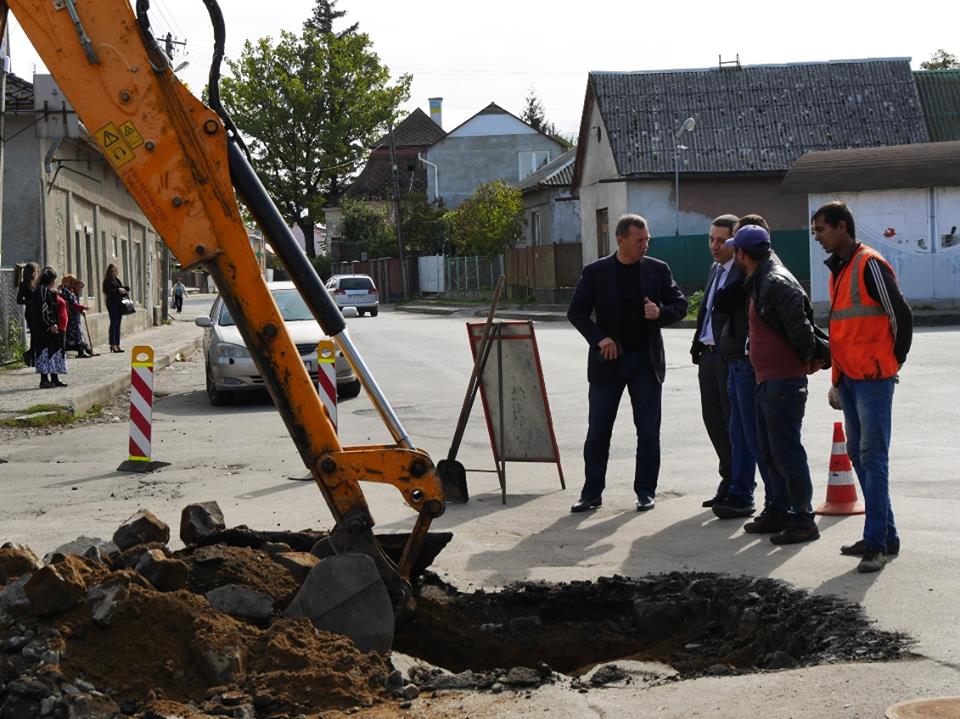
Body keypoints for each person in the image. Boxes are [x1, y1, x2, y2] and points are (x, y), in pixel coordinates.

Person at [813, 200, 912, 573]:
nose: (818, 238)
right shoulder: (839, 269)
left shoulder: (868, 264)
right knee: (859, 456)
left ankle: (875, 545)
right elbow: (843, 331)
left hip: (873, 379)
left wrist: (892, 363)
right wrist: (836, 379)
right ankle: (886, 535)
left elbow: (900, 315)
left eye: (821, 230)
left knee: (873, 458)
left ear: (841, 227)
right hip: (851, 378)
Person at [567, 214, 688, 513]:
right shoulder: (596, 272)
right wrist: (600, 339)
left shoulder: (657, 270)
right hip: (608, 363)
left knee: (648, 432)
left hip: (645, 363)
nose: (645, 245)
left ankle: (646, 491)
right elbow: (577, 312)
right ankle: (591, 493)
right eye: (639, 240)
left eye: (647, 239)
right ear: (621, 240)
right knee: (598, 432)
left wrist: (659, 312)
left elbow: (681, 305)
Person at [726, 225, 828, 544]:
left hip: (783, 382)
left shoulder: (775, 282)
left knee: (786, 452)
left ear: (743, 254)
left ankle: (803, 519)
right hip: (768, 380)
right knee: (770, 451)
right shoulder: (760, 279)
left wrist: (807, 360)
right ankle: (780, 510)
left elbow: (800, 330)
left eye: (735, 250)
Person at [710, 214, 773, 520]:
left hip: (749, 362)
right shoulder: (742, 271)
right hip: (735, 358)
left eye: (734, 242)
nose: (729, 249)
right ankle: (740, 491)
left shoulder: (759, 274)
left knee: (755, 434)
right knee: (739, 431)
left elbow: (724, 301)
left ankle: (775, 502)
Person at [690, 215, 738, 508]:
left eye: (721, 240)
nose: (715, 246)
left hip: (726, 356)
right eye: (711, 240)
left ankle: (737, 483)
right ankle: (727, 476)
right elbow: (706, 312)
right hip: (707, 356)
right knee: (712, 420)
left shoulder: (741, 273)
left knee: (732, 421)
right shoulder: (715, 269)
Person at [32, 266, 68, 388]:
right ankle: (44, 380)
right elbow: (44, 308)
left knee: (53, 352)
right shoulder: (41, 290)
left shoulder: (45, 290)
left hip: (49, 328)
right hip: (43, 329)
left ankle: (54, 378)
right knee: (44, 352)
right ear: (50, 280)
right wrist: (50, 323)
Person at [15, 262, 39, 366]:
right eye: (34, 271)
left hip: (37, 312)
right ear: (30, 272)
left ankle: (30, 356)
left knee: (36, 335)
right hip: (30, 312)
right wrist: (29, 301)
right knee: (35, 334)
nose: (36, 273)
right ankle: (30, 356)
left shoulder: (35, 283)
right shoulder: (24, 284)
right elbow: (19, 300)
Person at [103, 263, 130, 353]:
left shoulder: (117, 280)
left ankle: (118, 344)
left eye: (116, 270)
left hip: (119, 304)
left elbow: (120, 288)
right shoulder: (107, 280)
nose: (115, 272)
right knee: (114, 323)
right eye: (114, 270)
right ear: (110, 271)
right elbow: (107, 292)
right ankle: (112, 344)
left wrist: (125, 289)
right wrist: (118, 290)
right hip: (112, 304)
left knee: (118, 324)